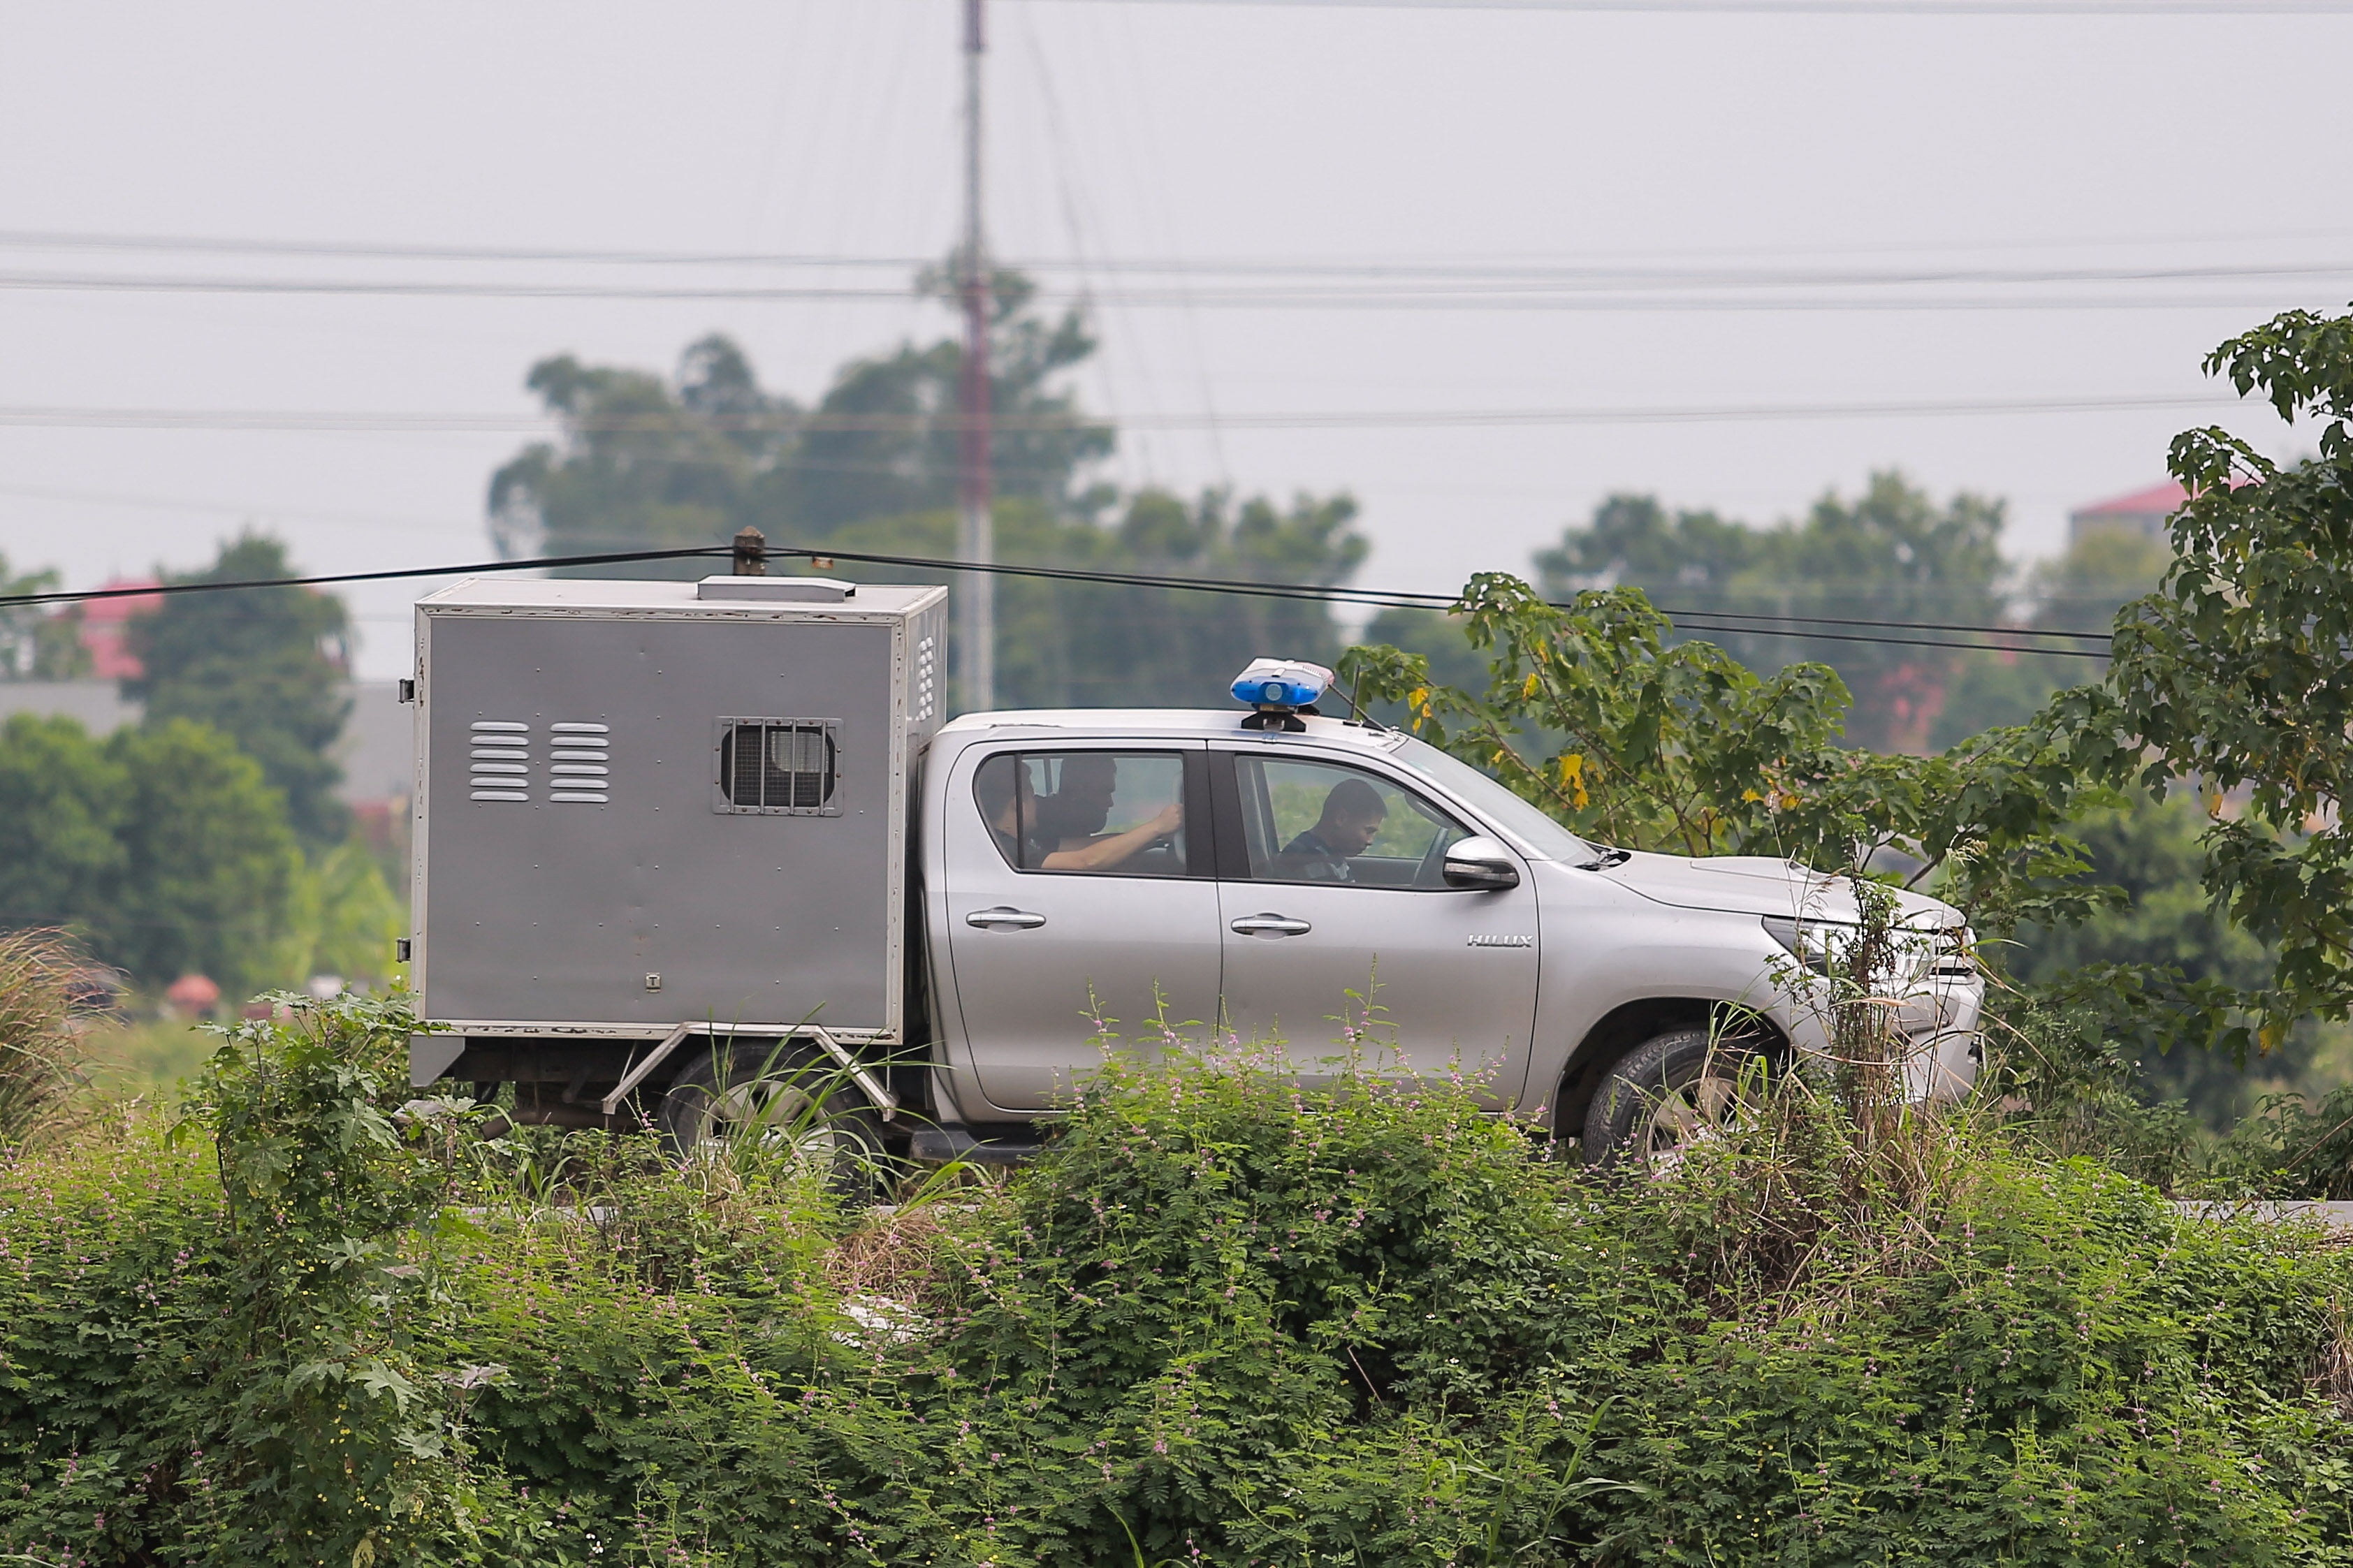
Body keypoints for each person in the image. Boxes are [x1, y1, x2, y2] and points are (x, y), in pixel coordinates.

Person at [979, 755, 1182, 873]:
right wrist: (1156, 826)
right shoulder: (1006, 849)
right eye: (1033, 796)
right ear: (1017, 805)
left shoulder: (1027, 842)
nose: (1039, 803)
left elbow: (1088, 846)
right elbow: (1086, 860)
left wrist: (1157, 836)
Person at [1271, 777, 1386, 881]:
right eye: (1368, 831)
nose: (1370, 841)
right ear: (1341, 818)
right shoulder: (1310, 858)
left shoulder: (1331, 854)